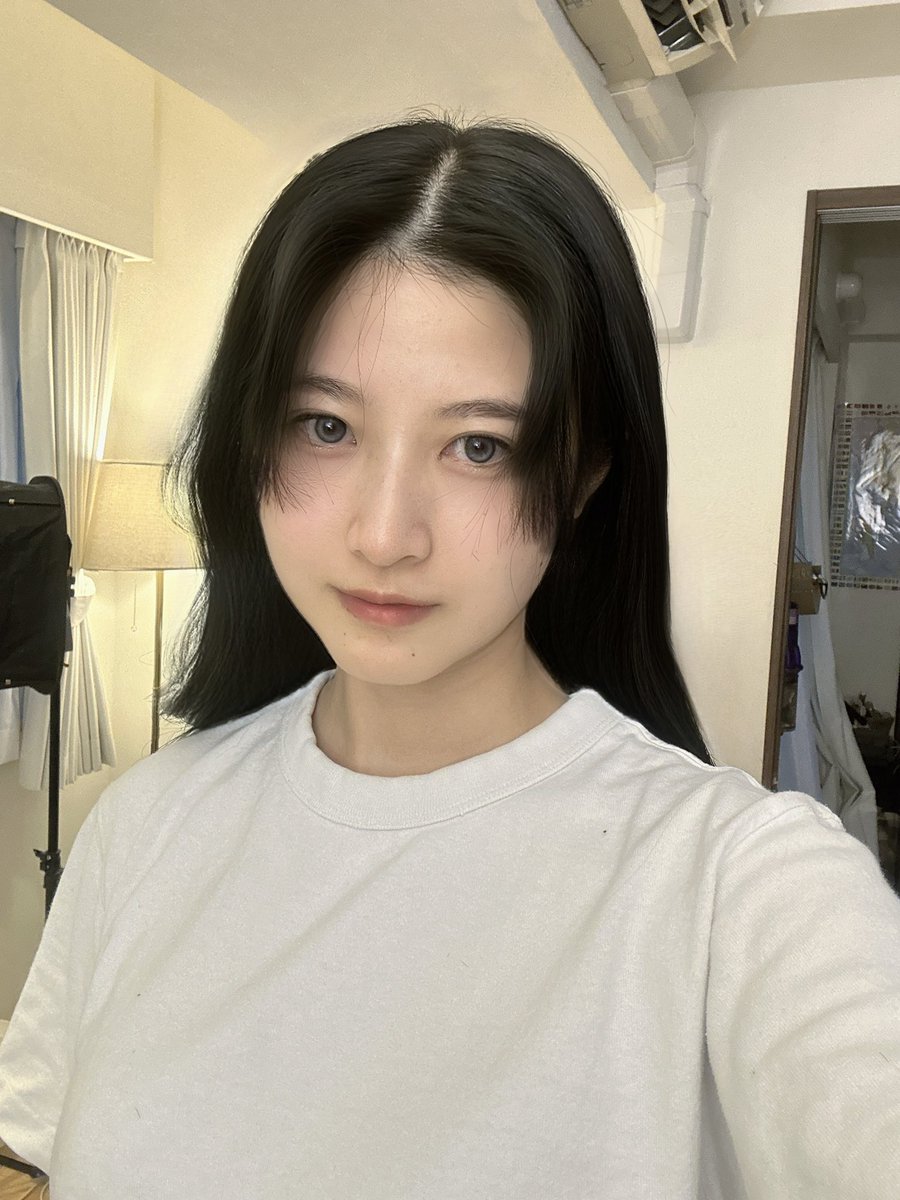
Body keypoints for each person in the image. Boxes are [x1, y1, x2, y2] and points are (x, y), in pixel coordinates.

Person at [1, 112, 899, 1200]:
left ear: (583, 475)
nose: (386, 534)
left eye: (480, 446)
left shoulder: (743, 890)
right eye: (325, 426)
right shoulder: (147, 824)